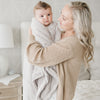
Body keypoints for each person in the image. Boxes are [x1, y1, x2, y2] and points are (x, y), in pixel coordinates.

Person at [27, 1, 94, 100]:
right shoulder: (59, 33)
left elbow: (37, 57)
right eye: (60, 15)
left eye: (64, 18)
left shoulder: (72, 43)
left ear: (76, 23)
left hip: (57, 94)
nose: (58, 19)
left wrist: (31, 36)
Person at [31, 1, 61, 100]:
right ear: (36, 18)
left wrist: (54, 49)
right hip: (42, 57)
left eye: (48, 14)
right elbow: (42, 41)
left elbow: (58, 41)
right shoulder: (36, 27)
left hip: (53, 57)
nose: (46, 18)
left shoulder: (55, 26)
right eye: (42, 16)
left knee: (55, 81)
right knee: (42, 80)